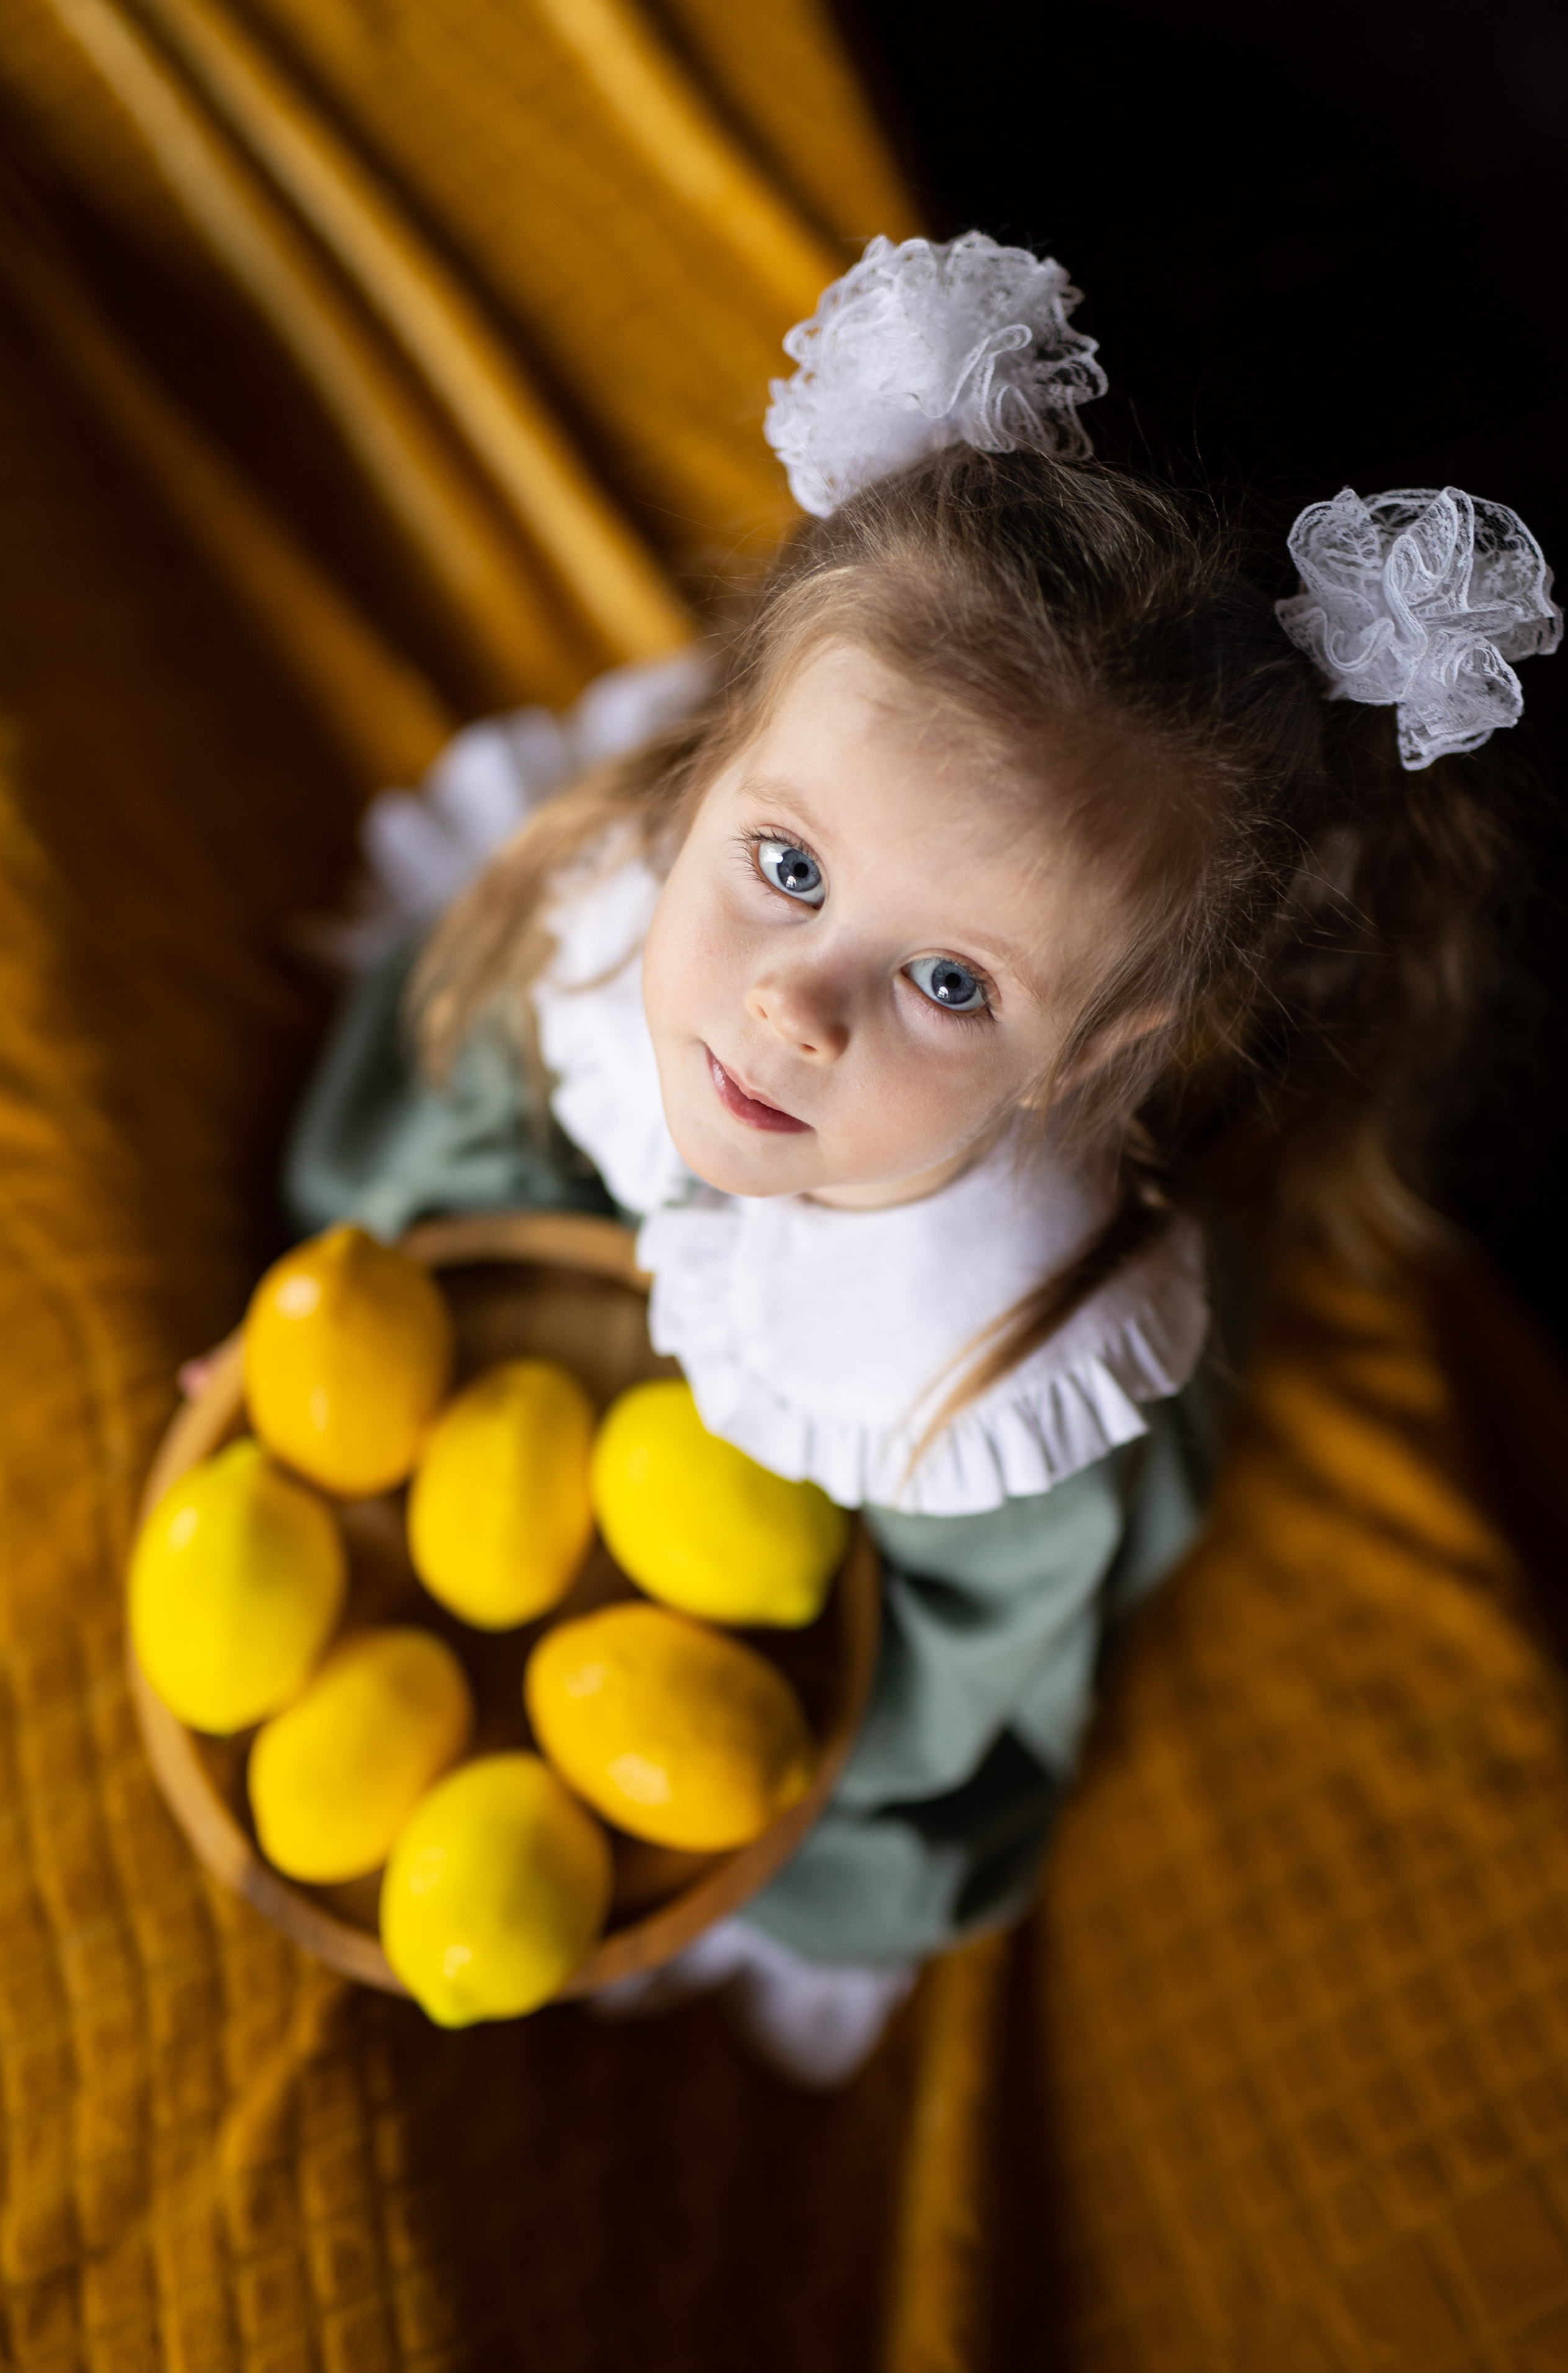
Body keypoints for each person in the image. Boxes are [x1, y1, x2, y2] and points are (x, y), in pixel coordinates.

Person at [279, 235, 1562, 2084]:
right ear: (718, 766)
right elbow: (474, 1091)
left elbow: (953, 1679)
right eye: (787, 867)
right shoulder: (629, 924)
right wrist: (377, 1300)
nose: (795, 1011)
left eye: (950, 983)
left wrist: (734, 1741)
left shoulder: (998, 1363)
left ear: (1102, 1050)